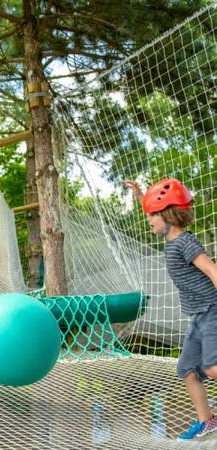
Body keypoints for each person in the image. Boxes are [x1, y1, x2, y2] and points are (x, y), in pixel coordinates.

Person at [125, 178, 217, 441]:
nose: (148, 219)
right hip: (199, 315)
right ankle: (207, 420)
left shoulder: (185, 243)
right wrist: (141, 195)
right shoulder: (172, 240)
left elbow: (212, 270)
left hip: (212, 309)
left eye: (152, 214)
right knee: (187, 368)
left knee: (211, 367)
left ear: (166, 213)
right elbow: (151, 209)